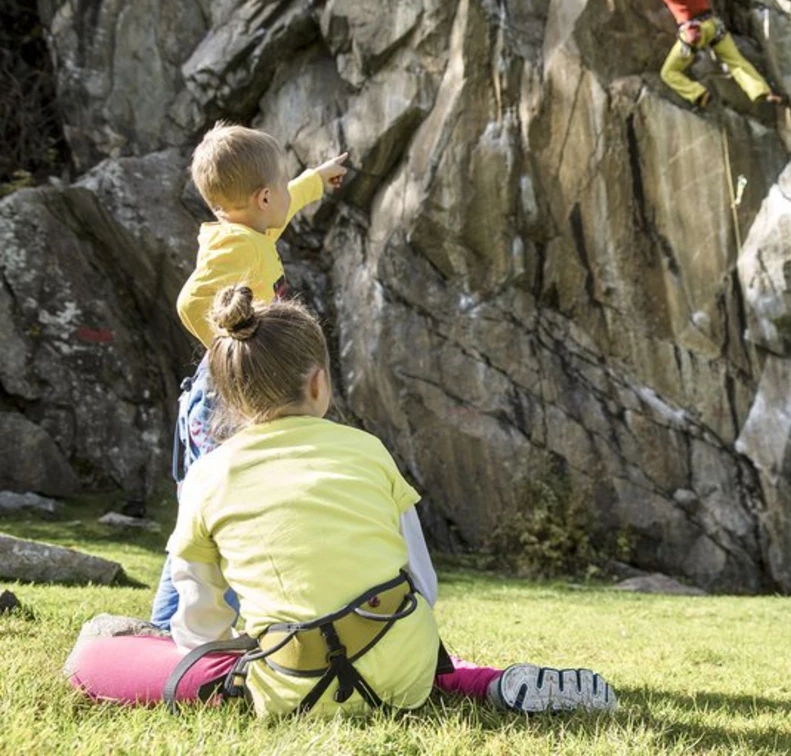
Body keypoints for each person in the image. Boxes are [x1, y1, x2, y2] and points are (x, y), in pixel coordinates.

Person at [67, 287, 618, 716]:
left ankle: (455, 677)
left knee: (96, 655)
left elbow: (198, 622)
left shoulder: (208, 473)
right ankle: (483, 680)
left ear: (231, 398)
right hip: (403, 672)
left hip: (288, 686)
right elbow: (422, 585)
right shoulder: (368, 450)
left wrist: (226, 648)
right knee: (405, 639)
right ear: (317, 383)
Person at [150, 121, 348, 629]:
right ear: (263, 197)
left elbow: (280, 209)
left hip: (233, 395)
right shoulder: (238, 247)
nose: (285, 195)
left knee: (213, 509)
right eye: (281, 187)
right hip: (225, 400)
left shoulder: (249, 231)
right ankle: (173, 624)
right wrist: (229, 348)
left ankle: (181, 622)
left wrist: (313, 180)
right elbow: (191, 302)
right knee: (218, 512)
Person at [630, 0, 782, 110]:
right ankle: (762, 91)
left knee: (668, 72)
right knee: (736, 61)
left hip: (693, 34)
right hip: (714, 26)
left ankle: (699, 94)